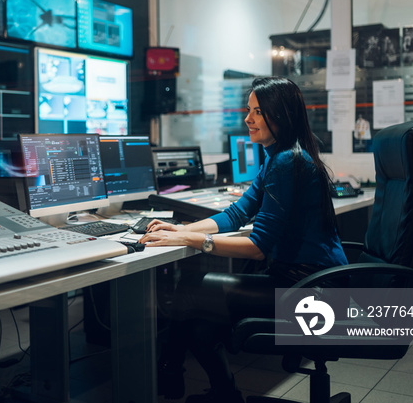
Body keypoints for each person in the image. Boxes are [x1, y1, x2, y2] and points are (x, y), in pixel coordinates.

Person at [139, 76, 347, 403]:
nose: (247, 119)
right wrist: (181, 231)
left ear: (281, 115)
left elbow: (257, 246)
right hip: (302, 278)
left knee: (194, 290)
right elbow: (237, 213)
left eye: (258, 112)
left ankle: (172, 373)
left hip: (314, 288)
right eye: (248, 110)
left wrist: (196, 242)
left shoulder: (288, 161)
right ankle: (203, 384)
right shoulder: (279, 157)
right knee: (199, 318)